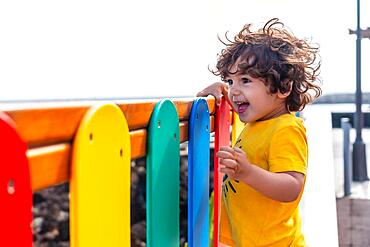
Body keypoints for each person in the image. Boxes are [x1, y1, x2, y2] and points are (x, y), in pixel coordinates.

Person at [197, 18, 322, 246]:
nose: (234, 91)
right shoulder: (255, 121)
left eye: (245, 80)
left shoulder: (286, 129)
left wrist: (248, 173)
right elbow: (232, 97)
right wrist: (218, 91)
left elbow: (292, 186)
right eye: (230, 81)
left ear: (283, 87)